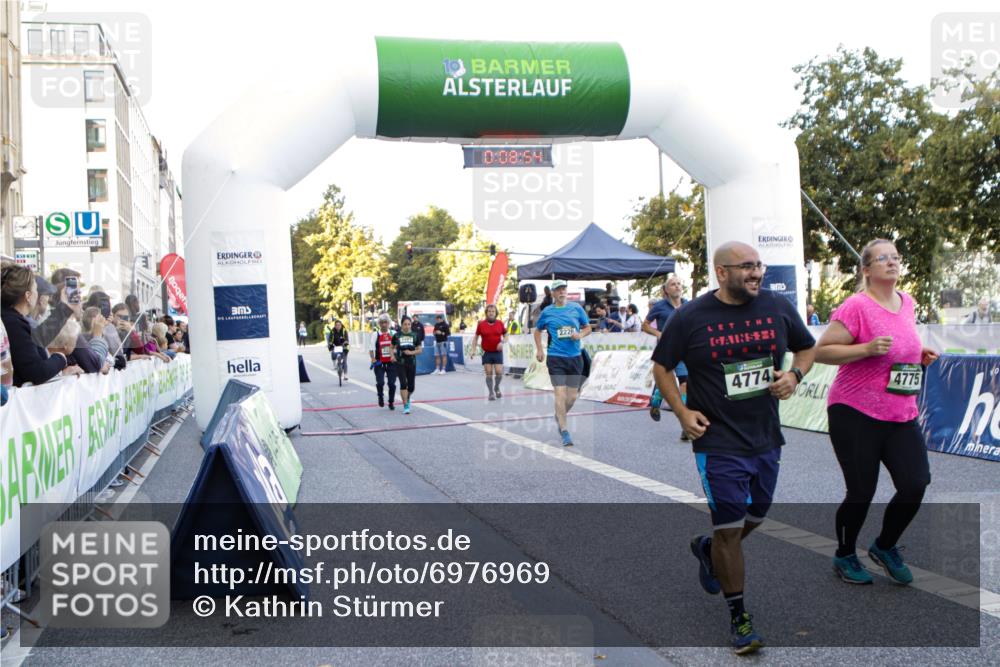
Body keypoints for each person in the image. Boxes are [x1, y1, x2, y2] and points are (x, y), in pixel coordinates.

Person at [651, 241, 815, 655]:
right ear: (721, 273)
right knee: (728, 527)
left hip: (765, 435)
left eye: (758, 265)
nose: (756, 272)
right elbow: (662, 366)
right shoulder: (691, 317)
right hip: (717, 439)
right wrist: (682, 413)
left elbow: (807, 348)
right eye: (746, 266)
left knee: (755, 517)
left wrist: (794, 375)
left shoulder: (777, 307)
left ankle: (708, 549)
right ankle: (739, 616)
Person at [814, 239, 938, 586]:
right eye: (883, 258)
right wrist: (865, 348)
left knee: (916, 483)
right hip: (855, 411)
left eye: (896, 257)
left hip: (900, 411)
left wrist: (919, 356)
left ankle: (884, 546)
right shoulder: (856, 306)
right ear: (866, 269)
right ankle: (845, 554)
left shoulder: (907, 302)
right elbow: (821, 352)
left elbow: (901, 348)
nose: (892, 262)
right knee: (861, 491)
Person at [533, 280, 592, 447]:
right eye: (558, 289)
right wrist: (539, 350)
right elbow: (537, 331)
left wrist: (579, 335)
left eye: (564, 289)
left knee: (572, 396)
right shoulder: (547, 312)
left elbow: (588, 327)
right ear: (552, 293)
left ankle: (559, 415)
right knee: (560, 394)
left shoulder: (576, 308)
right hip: (556, 357)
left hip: (575, 357)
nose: (562, 292)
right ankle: (565, 431)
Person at [0, 264, 81, 385]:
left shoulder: (11, 319)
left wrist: (65, 308)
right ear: (28, 296)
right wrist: (60, 358)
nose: (38, 294)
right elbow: (36, 372)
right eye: (36, 289)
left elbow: (37, 338)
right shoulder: (13, 323)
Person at [643, 277, 690, 428]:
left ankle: (684, 420)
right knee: (664, 383)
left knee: (685, 382)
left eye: (678, 284)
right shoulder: (659, 306)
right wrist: (659, 334)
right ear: (666, 290)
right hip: (666, 350)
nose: (676, 287)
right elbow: (645, 325)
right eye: (673, 284)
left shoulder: (688, 304)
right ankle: (656, 402)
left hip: (683, 350)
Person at [473, 304, 507, 400]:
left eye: (493, 311)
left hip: (497, 352)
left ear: (496, 313)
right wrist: (473, 350)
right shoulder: (481, 324)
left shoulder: (500, 323)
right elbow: (476, 337)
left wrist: (503, 342)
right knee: (488, 372)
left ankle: (496, 387)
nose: (491, 313)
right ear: (486, 313)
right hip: (486, 352)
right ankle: (491, 392)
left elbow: (506, 335)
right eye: (489, 311)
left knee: (499, 372)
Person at [392, 316, 422, 414]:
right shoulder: (397, 336)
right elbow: (391, 347)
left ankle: (407, 396)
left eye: (409, 324)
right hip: (400, 363)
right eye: (405, 324)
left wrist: (411, 353)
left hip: (411, 363)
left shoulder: (415, 335)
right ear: (402, 325)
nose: (407, 326)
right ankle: (405, 404)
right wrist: (392, 356)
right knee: (403, 384)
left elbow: (419, 350)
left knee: (411, 387)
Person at [369, 313, 398, 409]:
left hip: (391, 361)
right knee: (380, 382)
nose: (384, 324)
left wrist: (396, 355)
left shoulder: (393, 333)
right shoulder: (375, 334)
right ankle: (380, 396)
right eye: (381, 323)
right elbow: (371, 348)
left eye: (385, 322)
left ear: (388, 323)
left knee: (391, 383)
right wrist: (373, 359)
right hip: (379, 362)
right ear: (379, 324)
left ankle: (391, 402)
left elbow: (398, 347)